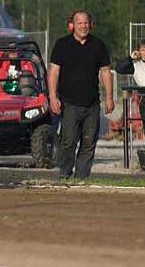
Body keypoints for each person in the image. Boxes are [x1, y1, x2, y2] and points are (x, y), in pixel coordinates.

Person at [48, 10, 114, 180]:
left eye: (86, 23)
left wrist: (109, 97)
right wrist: (52, 96)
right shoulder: (62, 44)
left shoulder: (98, 45)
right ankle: (65, 173)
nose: (84, 26)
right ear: (72, 25)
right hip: (69, 103)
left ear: (90, 24)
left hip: (91, 103)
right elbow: (54, 72)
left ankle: (81, 177)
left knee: (88, 143)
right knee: (68, 141)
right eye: (80, 23)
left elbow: (105, 71)